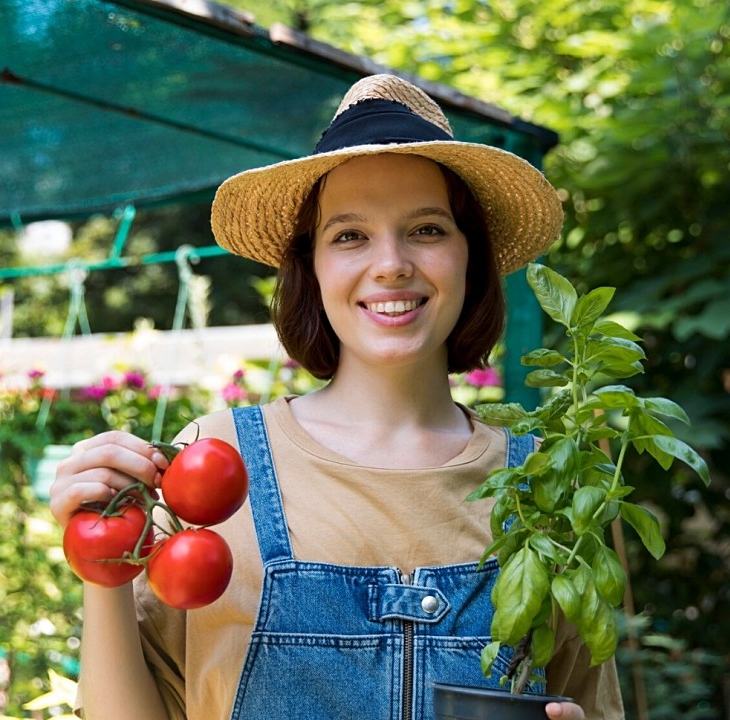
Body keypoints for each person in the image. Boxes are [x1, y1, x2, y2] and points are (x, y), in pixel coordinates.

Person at [50, 73, 625, 720]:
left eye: (428, 230)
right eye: (350, 235)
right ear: (312, 267)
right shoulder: (212, 462)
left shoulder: (546, 487)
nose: (391, 264)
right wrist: (100, 570)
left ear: (473, 258)